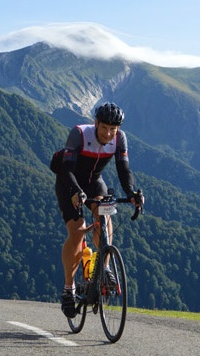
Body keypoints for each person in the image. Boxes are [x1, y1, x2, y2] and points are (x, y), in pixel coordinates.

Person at [54, 102, 143, 318]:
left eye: (113, 129)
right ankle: (69, 289)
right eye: (104, 128)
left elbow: (124, 169)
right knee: (77, 231)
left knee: (105, 215)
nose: (108, 133)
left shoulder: (119, 139)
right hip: (69, 182)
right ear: (96, 123)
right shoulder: (79, 134)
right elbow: (66, 169)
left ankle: (103, 268)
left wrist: (131, 193)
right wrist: (76, 191)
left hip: (95, 182)